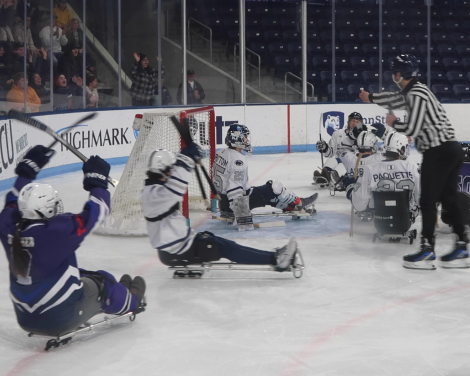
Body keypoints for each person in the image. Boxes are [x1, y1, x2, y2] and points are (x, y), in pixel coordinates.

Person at [0, 145, 146, 337]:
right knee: (102, 282)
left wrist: (27, 171)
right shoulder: (58, 231)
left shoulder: (7, 224)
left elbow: (12, 200)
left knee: (76, 273)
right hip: (59, 317)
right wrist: (97, 181)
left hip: (25, 318)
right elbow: (98, 210)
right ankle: (132, 302)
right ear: (49, 209)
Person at [359, 54, 467, 269]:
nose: (393, 76)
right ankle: (462, 245)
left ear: (399, 74)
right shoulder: (417, 90)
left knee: (427, 201)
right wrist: (371, 97)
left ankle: (427, 250)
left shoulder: (416, 95)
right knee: (448, 199)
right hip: (451, 148)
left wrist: (394, 123)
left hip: (438, 151)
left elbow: (413, 129)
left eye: (394, 73)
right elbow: (394, 99)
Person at [142, 143, 300, 271]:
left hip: (180, 243)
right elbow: (175, 189)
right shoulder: (156, 194)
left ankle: (274, 256)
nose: (172, 172)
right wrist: (186, 160)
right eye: (170, 169)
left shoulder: (152, 189)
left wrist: (184, 161)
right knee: (228, 248)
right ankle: (277, 259)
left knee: (224, 244)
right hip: (179, 249)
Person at [213, 124, 318, 220]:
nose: (246, 140)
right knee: (274, 187)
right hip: (235, 204)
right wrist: (240, 214)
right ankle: (300, 202)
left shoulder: (221, 153)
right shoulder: (238, 160)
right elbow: (234, 188)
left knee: (268, 195)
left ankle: (292, 207)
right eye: (245, 137)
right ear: (237, 138)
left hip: (223, 203)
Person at [350, 132, 421, 246]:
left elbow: (360, 202)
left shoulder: (370, 169)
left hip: (380, 220)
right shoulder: (412, 167)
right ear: (401, 150)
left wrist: (351, 193)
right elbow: (421, 196)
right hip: (404, 220)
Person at [314, 111, 363, 187]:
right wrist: (325, 148)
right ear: (349, 121)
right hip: (337, 159)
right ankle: (324, 175)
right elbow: (330, 153)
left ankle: (329, 177)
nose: (354, 123)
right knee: (330, 160)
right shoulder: (338, 133)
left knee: (341, 166)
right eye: (353, 121)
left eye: (357, 122)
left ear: (360, 124)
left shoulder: (362, 136)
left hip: (350, 162)